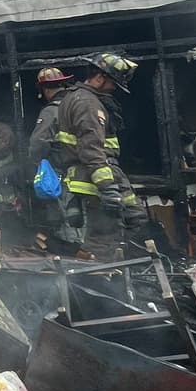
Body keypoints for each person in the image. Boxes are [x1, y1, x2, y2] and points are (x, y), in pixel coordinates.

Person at [51, 52, 144, 252]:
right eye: (113, 84)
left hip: (102, 173)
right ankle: (99, 277)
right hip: (95, 178)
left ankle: (114, 268)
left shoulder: (75, 97)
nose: (113, 90)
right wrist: (106, 187)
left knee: (135, 217)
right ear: (100, 77)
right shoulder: (88, 103)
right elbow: (90, 146)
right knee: (104, 237)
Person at [28, 67, 74, 164]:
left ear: (44, 90)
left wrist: (36, 162)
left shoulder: (51, 110)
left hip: (61, 168)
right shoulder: (78, 104)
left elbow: (38, 143)